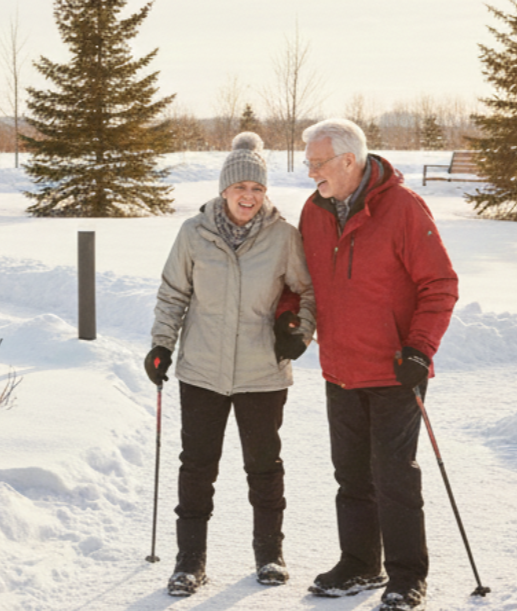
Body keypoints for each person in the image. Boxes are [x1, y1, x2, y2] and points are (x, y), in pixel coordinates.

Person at [144, 132, 315, 597]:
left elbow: (307, 291)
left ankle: (270, 554)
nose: (249, 196)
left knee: (264, 467)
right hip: (202, 369)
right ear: (224, 189)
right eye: (241, 187)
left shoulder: (283, 236)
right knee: (197, 467)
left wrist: (299, 331)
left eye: (257, 188)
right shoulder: (193, 233)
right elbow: (173, 294)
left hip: (262, 372)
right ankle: (189, 561)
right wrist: (161, 345)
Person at [298, 119, 458, 611]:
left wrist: (420, 348)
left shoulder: (402, 208)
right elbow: (300, 282)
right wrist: (290, 319)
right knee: (351, 475)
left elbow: (440, 284)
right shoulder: (314, 211)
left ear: (348, 160)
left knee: (393, 477)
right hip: (340, 368)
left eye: (317, 163)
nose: (311, 173)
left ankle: (407, 576)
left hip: (395, 369)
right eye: (308, 163)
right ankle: (360, 563)